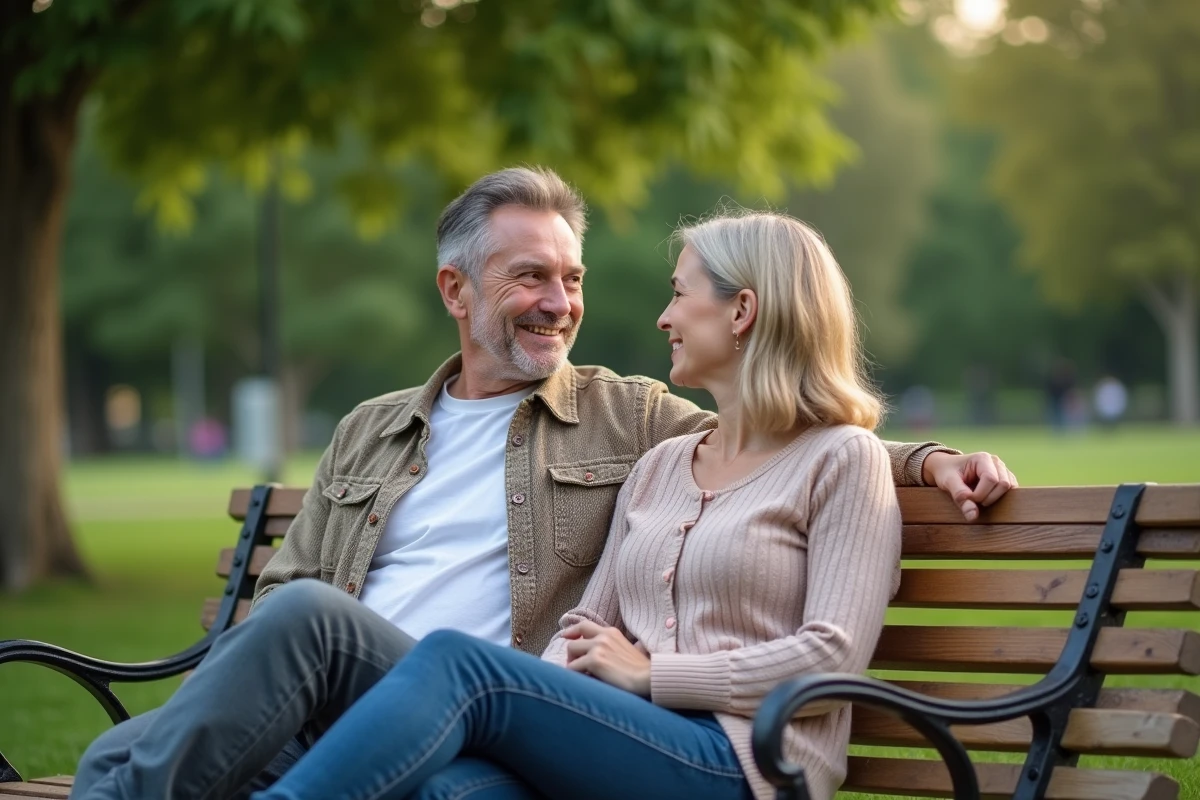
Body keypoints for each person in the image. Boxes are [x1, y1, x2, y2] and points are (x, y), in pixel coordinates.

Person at [72, 168, 1015, 800]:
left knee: (437, 667)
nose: (571, 304)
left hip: (722, 754)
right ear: (457, 291)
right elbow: (580, 634)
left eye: (575, 277)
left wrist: (928, 462)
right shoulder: (646, 461)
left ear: (745, 309)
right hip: (419, 707)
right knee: (137, 740)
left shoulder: (634, 416)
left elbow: (812, 455)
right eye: (532, 277)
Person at [252, 209, 901, 800]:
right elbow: (581, 629)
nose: (664, 318)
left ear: (741, 312)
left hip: (748, 762)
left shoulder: (844, 460)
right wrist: (549, 697)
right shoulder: (662, 466)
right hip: (623, 741)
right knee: (446, 792)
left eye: (679, 293)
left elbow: (830, 657)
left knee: (457, 661)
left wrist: (654, 675)